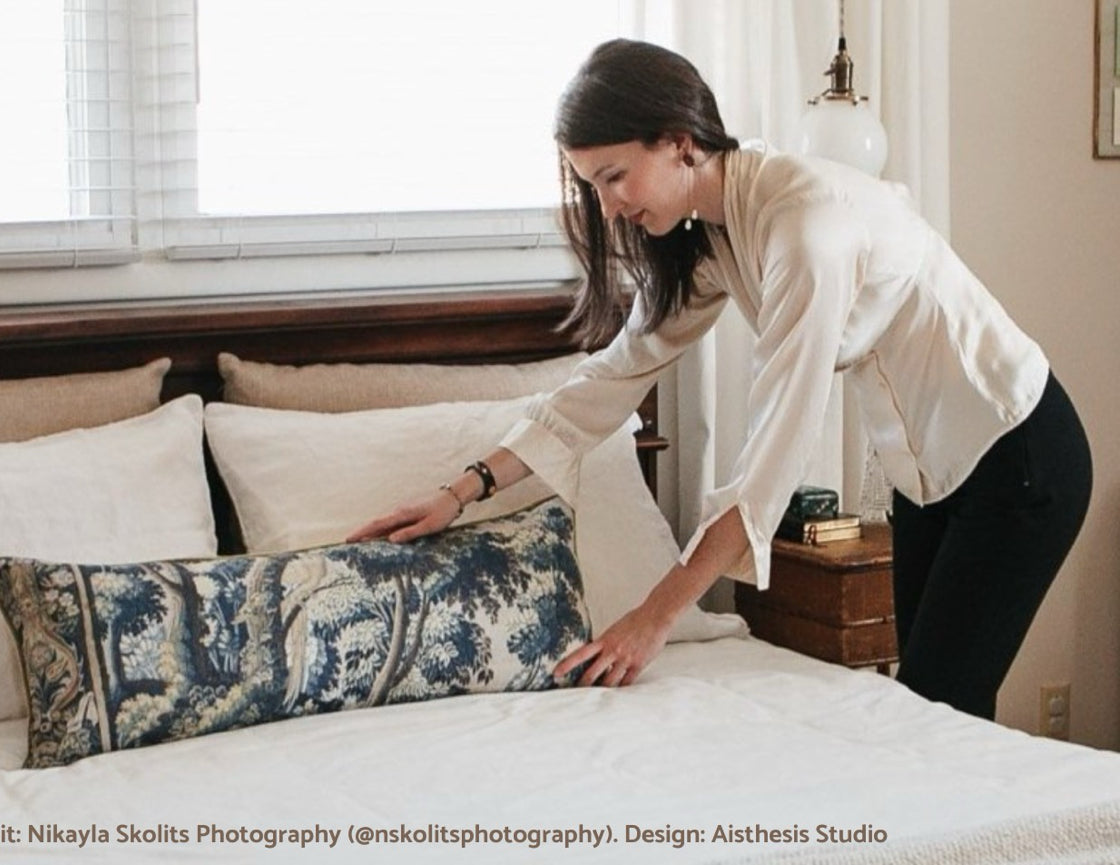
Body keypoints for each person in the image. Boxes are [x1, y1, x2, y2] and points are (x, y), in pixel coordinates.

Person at [347, 38, 1092, 720]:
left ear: (678, 141)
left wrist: (654, 618)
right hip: (925, 475)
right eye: (592, 184)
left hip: (1018, 455)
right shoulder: (709, 235)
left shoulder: (805, 228)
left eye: (613, 176)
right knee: (937, 713)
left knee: (938, 713)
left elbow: (772, 455)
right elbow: (610, 380)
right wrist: (462, 489)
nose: (608, 206)